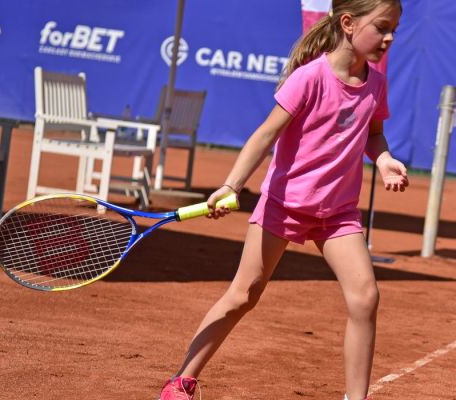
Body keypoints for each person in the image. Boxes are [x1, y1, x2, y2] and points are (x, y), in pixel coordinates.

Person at [157, 1, 405, 399]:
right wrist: (232, 186)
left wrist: (385, 159)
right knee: (243, 295)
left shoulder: (376, 84)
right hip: (284, 204)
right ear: (347, 23)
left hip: (337, 213)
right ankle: (181, 381)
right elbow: (264, 135)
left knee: (366, 296)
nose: (390, 37)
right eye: (382, 27)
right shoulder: (309, 77)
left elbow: (374, 135)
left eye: (394, 28)